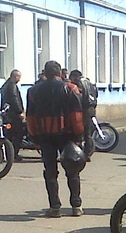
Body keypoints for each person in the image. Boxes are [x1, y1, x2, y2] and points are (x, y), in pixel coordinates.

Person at [26, 60, 85, 218]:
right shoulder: (70, 89)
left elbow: (30, 117)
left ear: (45, 73)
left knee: (50, 172)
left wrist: (34, 137)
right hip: (67, 136)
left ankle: (55, 207)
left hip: (45, 136)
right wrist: (79, 136)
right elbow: (76, 116)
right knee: (72, 170)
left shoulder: (33, 91)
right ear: (59, 73)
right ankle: (76, 205)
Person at [69, 70, 98, 158]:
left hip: (83, 109)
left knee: (79, 131)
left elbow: (78, 95)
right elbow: (96, 94)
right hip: (92, 107)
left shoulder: (78, 83)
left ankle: (79, 152)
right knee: (88, 132)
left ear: (73, 77)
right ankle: (88, 153)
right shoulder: (89, 82)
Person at [0, 69, 25, 160]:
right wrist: (19, 111)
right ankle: (13, 154)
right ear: (15, 76)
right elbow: (14, 99)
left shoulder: (6, 85)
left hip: (7, 114)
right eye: (19, 77)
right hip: (13, 115)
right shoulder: (12, 86)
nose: (19, 79)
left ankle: (9, 154)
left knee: (9, 134)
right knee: (18, 133)